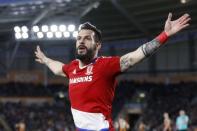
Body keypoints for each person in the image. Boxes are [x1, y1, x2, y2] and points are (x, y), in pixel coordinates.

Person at [35, 13, 191, 131]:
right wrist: (46, 59)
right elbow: (57, 68)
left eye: (87, 38)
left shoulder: (105, 65)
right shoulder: (72, 67)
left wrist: (165, 35)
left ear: (98, 45)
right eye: (79, 38)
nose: (81, 41)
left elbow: (136, 55)